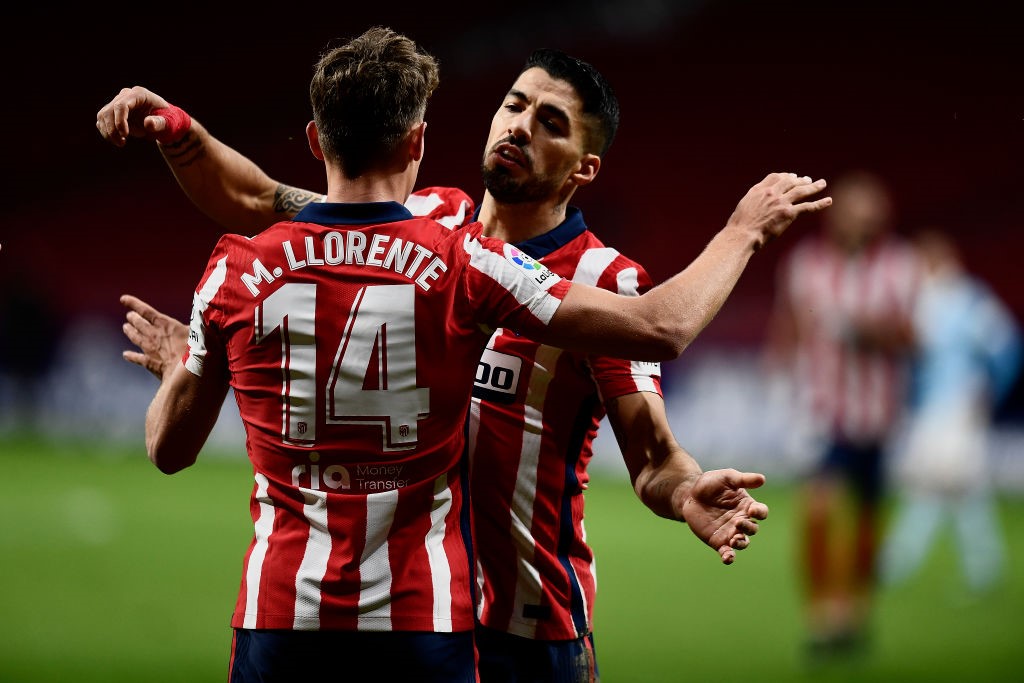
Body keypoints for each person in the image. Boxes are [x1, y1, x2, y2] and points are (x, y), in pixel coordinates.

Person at [100, 32, 830, 681]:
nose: (519, 126)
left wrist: (685, 490)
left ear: (585, 168)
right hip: (423, 615)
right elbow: (264, 196)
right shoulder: (426, 223)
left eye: (550, 124)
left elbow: (652, 452)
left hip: (526, 631)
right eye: (514, 105)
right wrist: (179, 128)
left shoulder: (603, 280)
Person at [765, 169, 920, 661]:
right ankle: (821, 614)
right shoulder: (805, 264)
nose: (860, 222)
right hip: (822, 410)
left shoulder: (900, 265)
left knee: (870, 516)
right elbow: (787, 328)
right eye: (853, 212)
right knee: (818, 507)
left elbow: (914, 338)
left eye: (869, 214)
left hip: (877, 413)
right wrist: (780, 383)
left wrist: (868, 333)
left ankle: (856, 608)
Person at [878, 228, 1022, 597]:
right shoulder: (925, 300)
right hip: (933, 409)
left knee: (930, 483)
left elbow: (1006, 349)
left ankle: (896, 561)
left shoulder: (965, 300)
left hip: (955, 410)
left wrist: (986, 395)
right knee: (955, 490)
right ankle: (979, 568)